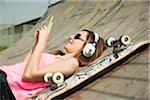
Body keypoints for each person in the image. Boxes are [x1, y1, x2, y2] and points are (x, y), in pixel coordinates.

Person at [0, 17, 107, 100]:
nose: (71, 36)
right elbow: (25, 65)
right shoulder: (58, 57)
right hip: (5, 79)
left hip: (6, 86)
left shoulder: (72, 63)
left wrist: (43, 41)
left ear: (88, 49)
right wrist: (37, 42)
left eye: (77, 36)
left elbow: (29, 75)